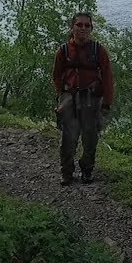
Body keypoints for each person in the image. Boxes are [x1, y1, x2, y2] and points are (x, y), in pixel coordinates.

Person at [52, 12, 114, 185]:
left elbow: (108, 76)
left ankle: (87, 170)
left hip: (91, 100)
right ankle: (66, 173)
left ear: (91, 28)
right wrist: (61, 96)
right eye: (79, 25)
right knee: (68, 139)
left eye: (87, 25)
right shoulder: (63, 51)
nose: (83, 28)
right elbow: (56, 75)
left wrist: (107, 102)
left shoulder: (98, 50)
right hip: (69, 99)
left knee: (90, 139)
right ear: (72, 27)